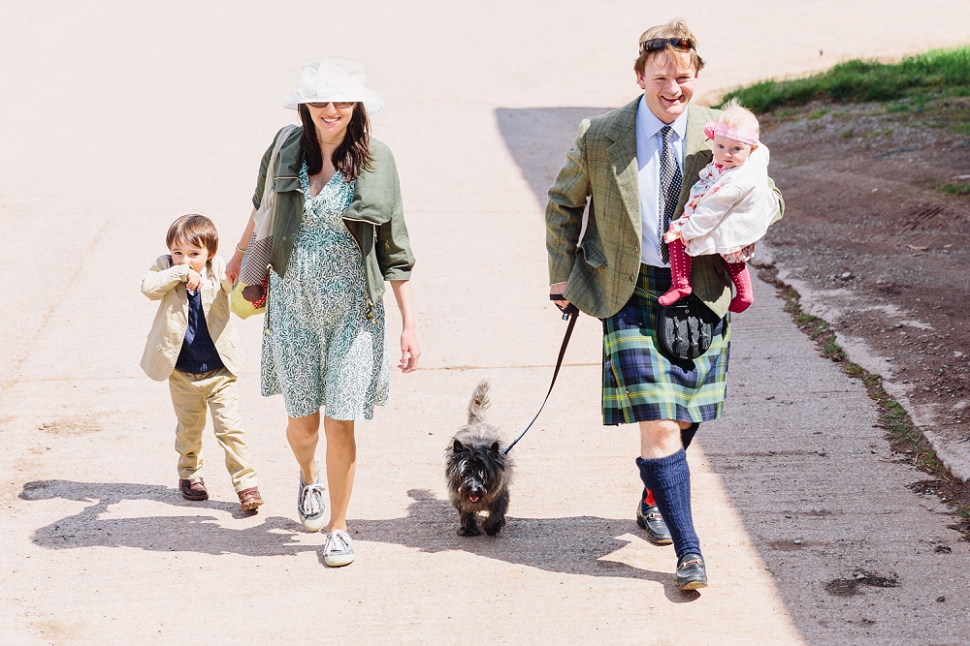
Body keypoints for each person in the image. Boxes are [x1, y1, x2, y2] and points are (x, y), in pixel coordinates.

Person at [545, 21, 783, 590]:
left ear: (696, 77)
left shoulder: (721, 131)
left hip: (701, 288)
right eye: (662, 78)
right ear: (639, 76)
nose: (673, 89)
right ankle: (690, 551)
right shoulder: (600, 134)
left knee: (684, 414)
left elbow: (769, 193)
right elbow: (562, 205)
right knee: (657, 422)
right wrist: (562, 277)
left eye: (684, 78)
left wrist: (752, 224)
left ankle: (656, 492)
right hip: (628, 289)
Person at [226, 59, 420, 568]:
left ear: (357, 106)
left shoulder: (378, 161)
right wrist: (240, 258)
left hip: (355, 309)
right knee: (303, 426)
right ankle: (308, 476)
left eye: (340, 101)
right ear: (304, 106)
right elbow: (260, 205)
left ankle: (338, 527)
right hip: (293, 307)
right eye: (319, 101)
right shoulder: (286, 149)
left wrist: (409, 325)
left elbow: (395, 248)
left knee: (341, 423)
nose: (330, 110)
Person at [140, 214, 264, 512]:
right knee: (189, 430)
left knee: (230, 429)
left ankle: (246, 484)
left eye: (194, 254)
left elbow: (235, 288)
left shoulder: (217, 267)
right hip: (182, 372)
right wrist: (179, 273)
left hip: (220, 370)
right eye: (178, 252)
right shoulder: (165, 268)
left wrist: (248, 287)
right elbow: (148, 287)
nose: (185, 259)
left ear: (209, 254)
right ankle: (190, 474)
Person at [659, 99, 778, 313]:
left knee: (675, 234)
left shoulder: (733, 183)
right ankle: (744, 293)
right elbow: (758, 148)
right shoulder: (756, 156)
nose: (726, 154)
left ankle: (680, 284)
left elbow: (709, 213)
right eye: (720, 146)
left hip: (715, 217)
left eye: (735, 149)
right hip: (734, 220)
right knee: (731, 253)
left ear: (751, 148)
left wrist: (689, 230)